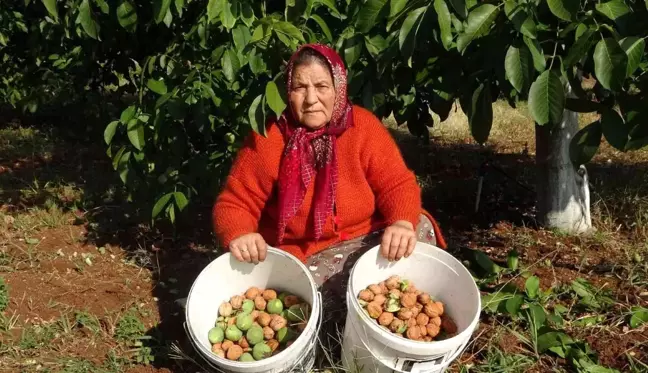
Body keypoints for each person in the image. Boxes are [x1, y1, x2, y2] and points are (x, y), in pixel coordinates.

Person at [212, 43, 446, 288]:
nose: (311, 99)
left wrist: (400, 223)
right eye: (300, 87)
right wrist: (240, 234)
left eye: (322, 86)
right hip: (305, 254)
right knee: (302, 290)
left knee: (419, 227)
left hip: (366, 239)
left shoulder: (363, 127)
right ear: (287, 92)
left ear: (339, 88)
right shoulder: (269, 139)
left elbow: (396, 183)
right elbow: (234, 203)